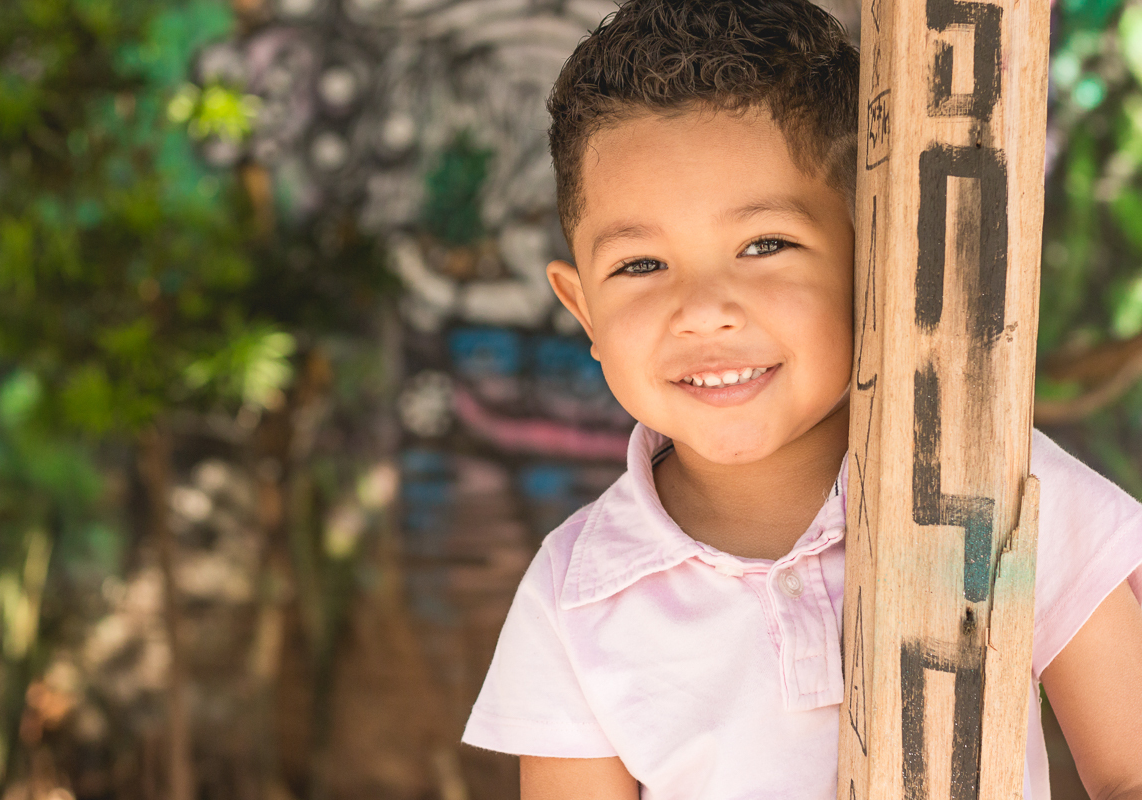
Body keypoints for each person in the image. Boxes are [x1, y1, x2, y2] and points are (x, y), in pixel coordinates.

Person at [459, 1, 1142, 797]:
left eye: (765, 245)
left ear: (869, 257)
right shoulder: (574, 595)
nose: (704, 308)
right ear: (583, 311)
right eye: (641, 265)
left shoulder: (996, 485)